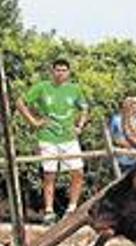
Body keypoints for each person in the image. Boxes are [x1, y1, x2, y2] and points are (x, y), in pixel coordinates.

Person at [16, 58, 89, 224]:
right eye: (57, 70)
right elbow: (21, 102)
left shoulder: (74, 89)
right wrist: (33, 122)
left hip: (69, 138)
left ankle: (72, 209)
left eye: (64, 70)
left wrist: (80, 126)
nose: (60, 73)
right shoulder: (42, 87)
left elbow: (84, 107)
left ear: (69, 72)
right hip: (48, 137)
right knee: (50, 175)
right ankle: (49, 212)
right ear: (52, 71)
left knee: (78, 172)